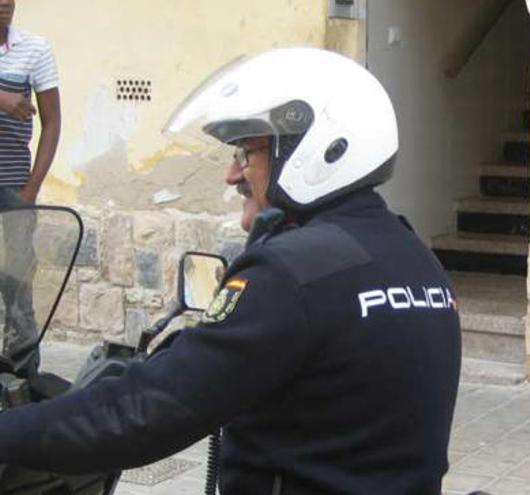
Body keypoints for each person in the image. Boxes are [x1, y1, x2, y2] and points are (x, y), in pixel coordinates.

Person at [0, 47, 462, 494]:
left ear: (321, 150)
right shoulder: (414, 256)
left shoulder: (290, 273)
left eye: (247, 153)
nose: (233, 174)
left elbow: (145, 413)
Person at [0, 0, 61, 378]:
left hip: (14, 188)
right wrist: (3, 99)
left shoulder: (35, 49)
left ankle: (22, 377)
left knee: (17, 285)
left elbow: (52, 122)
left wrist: (32, 188)